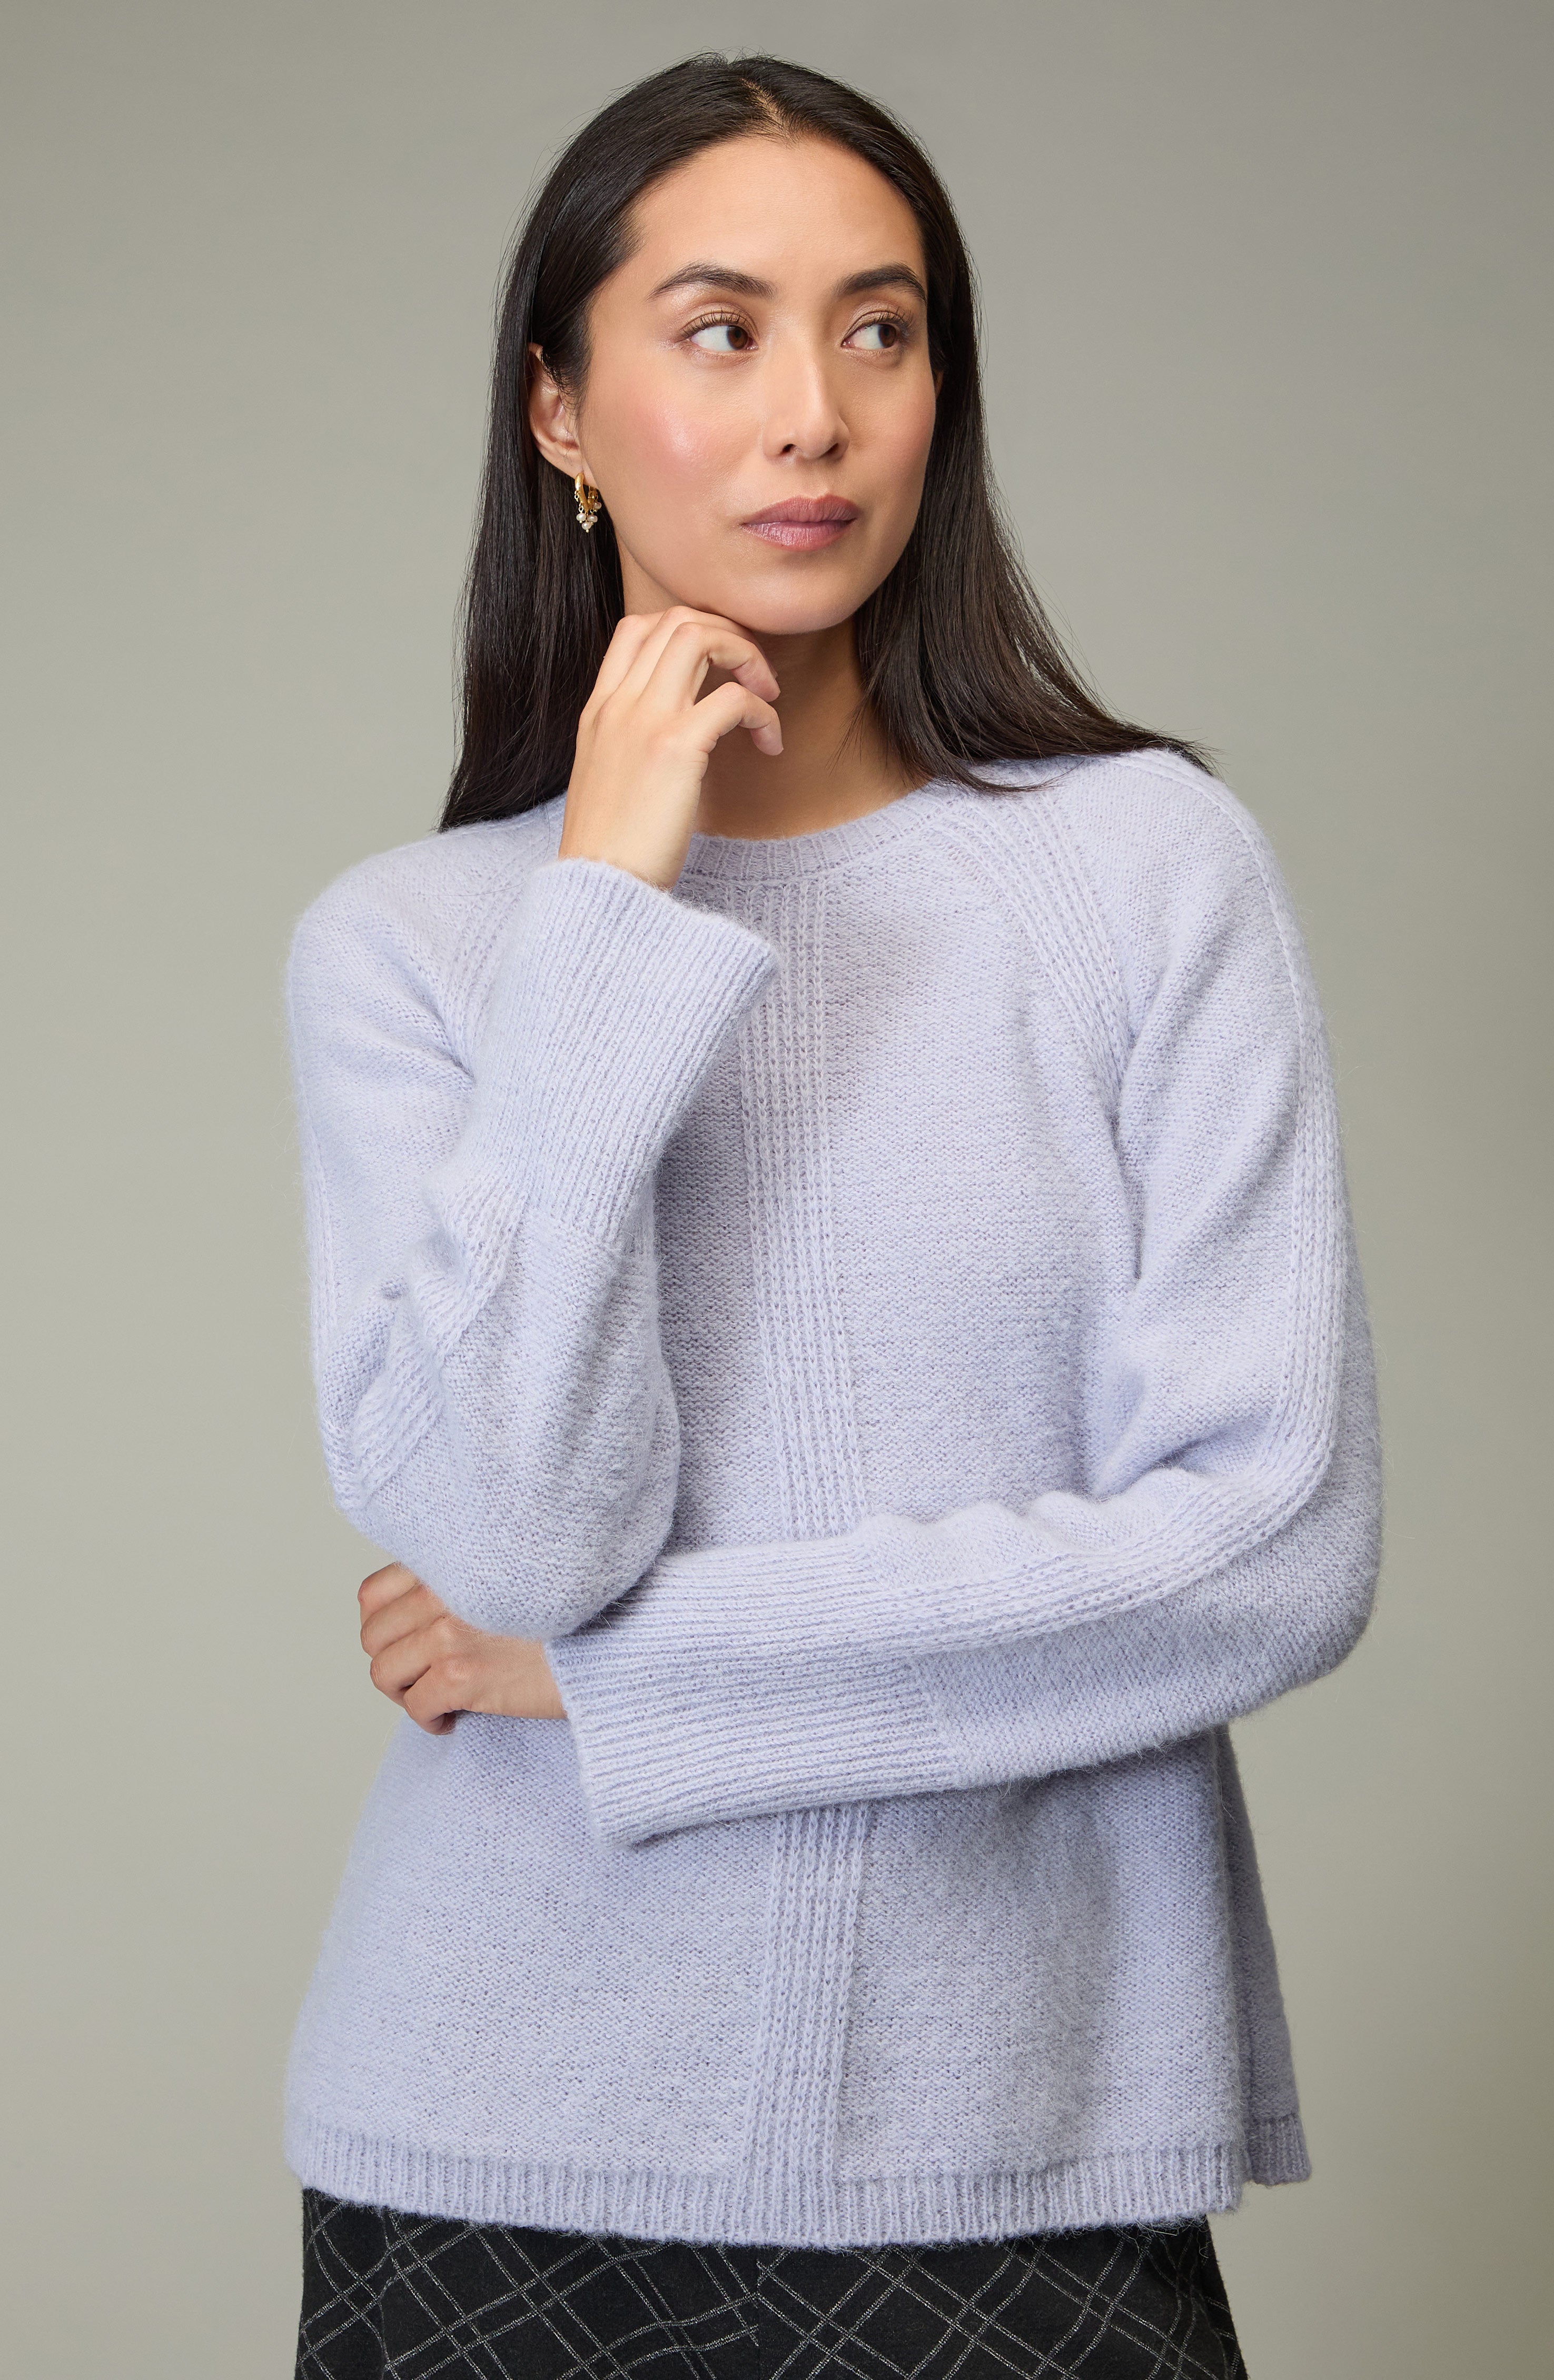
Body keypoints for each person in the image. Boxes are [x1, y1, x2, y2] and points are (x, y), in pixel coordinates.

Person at [283, 51, 1382, 2380]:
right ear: (561, 411)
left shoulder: (1144, 871)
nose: (817, 413)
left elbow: (1270, 1543)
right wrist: (606, 915)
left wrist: (619, 1678)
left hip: (1022, 2153)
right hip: (491, 2161)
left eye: (881, 330)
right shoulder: (418, 947)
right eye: (722, 329)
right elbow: (513, 1532)